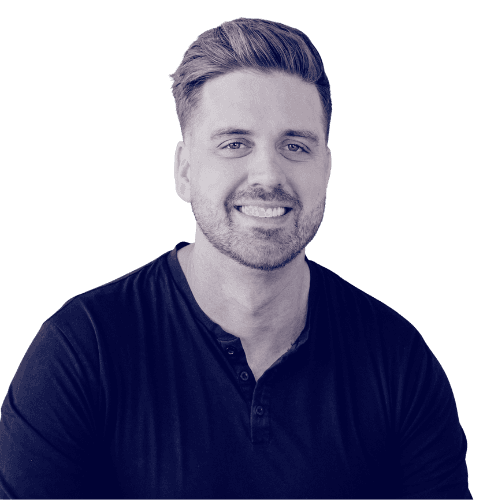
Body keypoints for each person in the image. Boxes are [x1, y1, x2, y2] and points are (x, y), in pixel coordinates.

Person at [0, 17, 472, 499]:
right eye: (234, 144)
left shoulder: (399, 362)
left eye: (295, 146)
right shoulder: (80, 351)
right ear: (184, 171)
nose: (268, 174)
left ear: (326, 171)